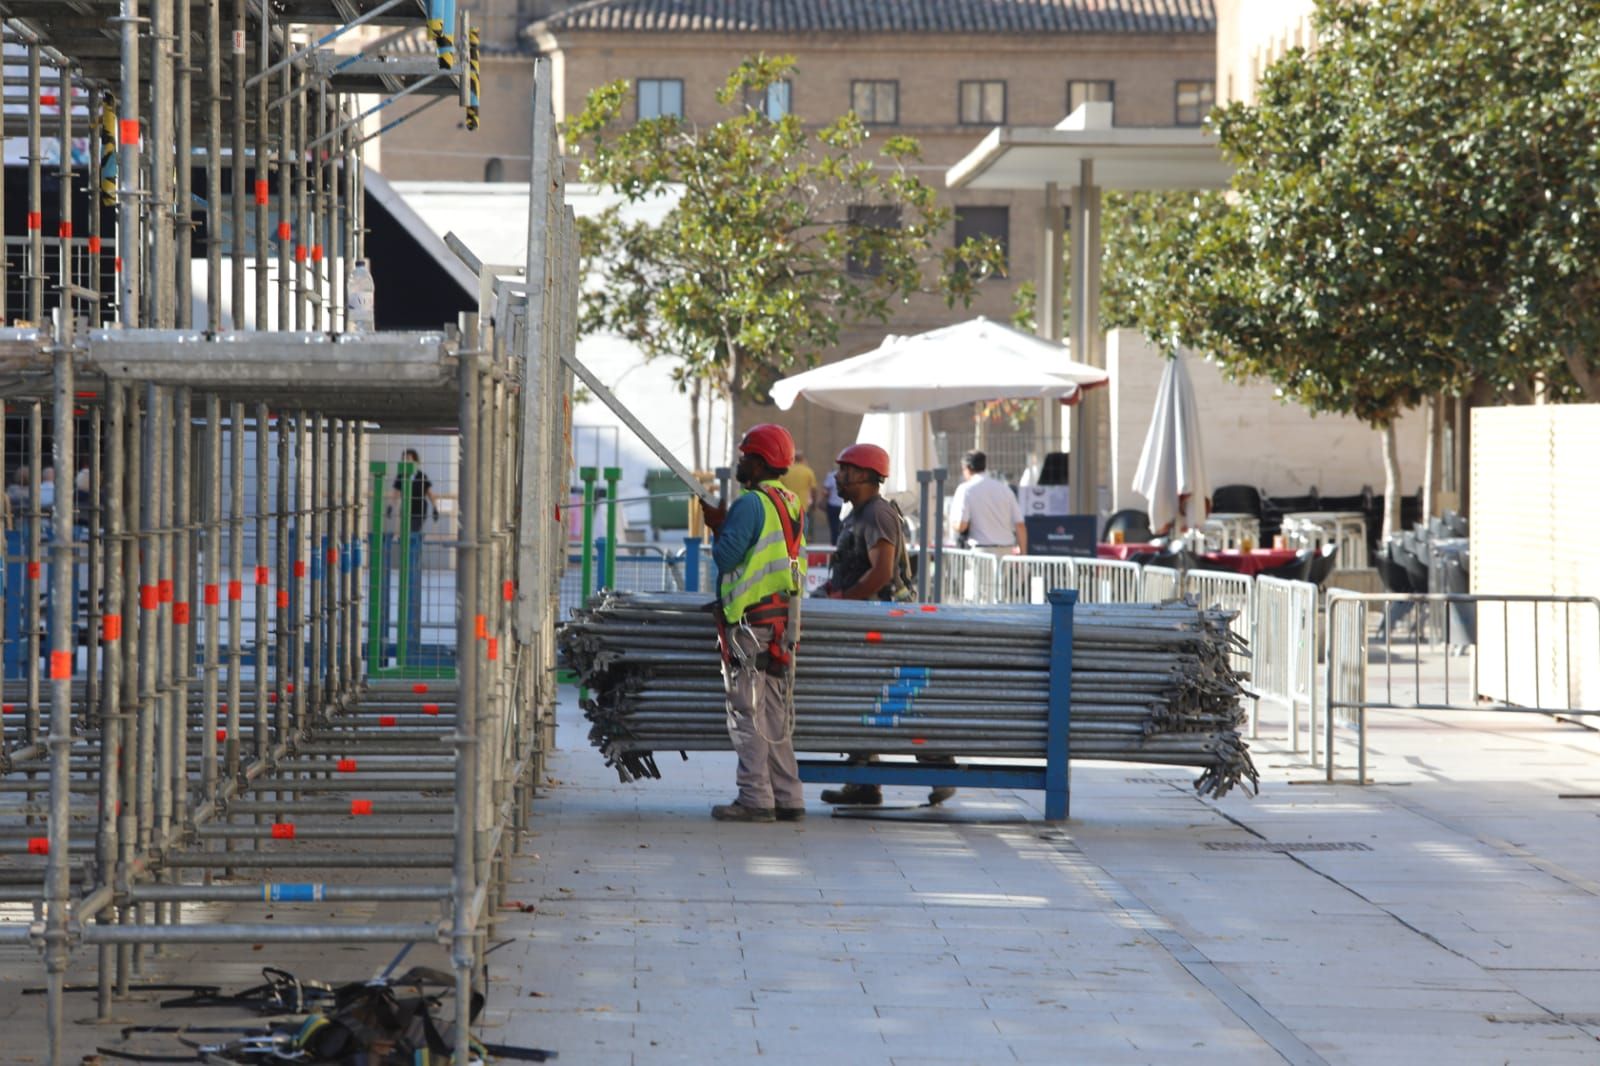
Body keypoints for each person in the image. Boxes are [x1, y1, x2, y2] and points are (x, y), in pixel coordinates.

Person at [814, 443, 954, 807]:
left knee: (896, 699)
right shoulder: (855, 514)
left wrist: (845, 600)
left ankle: (940, 768)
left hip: (886, 625)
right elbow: (853, 568)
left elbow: (881, 572)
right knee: (861, 698)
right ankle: (863, 782)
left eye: (844, 470)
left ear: (863, 475)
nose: (837, 477)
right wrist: (827, 593)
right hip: (864, 622)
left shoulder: (877, 514)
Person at [699, 424, 808, 823]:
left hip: (750, 623)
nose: (740, 461)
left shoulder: (750, 503)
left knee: (746, 711)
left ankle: (756, 799)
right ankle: (788, 796)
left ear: (759, 462)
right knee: (774, 713)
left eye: (745, 456)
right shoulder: (791, 502)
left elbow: (727, 558)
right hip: (781, 621)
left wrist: (716, 525)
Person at [387, 448, 439, 663]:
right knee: (407, 533)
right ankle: (409, 557)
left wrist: (435, 507)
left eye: (410, 459)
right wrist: (392, 506)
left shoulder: (421, 476)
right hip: (406, 510)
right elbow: (396, 494)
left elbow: (430, 493)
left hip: (419, 510)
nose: (407, 461)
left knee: (414, 534)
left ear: (416, 461)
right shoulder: (401, 476)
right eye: (405, 459)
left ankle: (413, 558)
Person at [950, 450, 1026, 555]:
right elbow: (1020, 525)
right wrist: (1023, 553)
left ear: (967, 468)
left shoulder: (965, 489)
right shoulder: (1005, 490)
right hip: (1006, 551)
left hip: (981, 552)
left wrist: (952, 523)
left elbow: (961, 525)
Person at [778, 449, 823, 537]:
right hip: (803, 505)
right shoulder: (808, 471)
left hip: (787, 504)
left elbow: (779, 488)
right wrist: (814, 503)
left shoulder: (786, 471)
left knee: (788, 529)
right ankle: (805, 540)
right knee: (803, 528)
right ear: (803, 459)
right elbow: (814, 489)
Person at [821, 468, 843, 544]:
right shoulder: (849, 475)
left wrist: (823, 501)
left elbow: (825, 492)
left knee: (834, 528)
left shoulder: (831, 475)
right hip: (845, 506)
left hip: (832, 505)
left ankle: (834, 546)